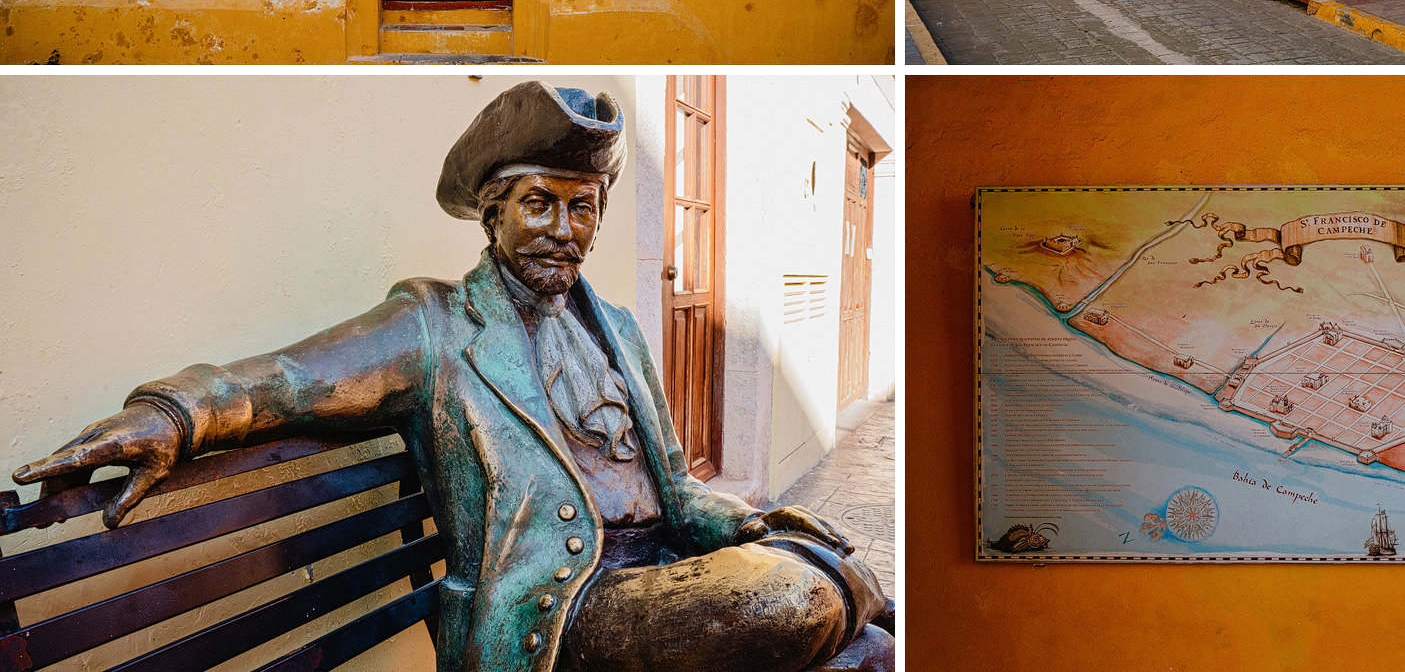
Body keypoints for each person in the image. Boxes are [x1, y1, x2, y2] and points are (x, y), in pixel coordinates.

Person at [15, 83, 892, 672]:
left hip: (659, 569)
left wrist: (744, 517)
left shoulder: (617, 328)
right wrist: (174, 410)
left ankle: (831, 587)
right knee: (793, 597)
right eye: (537, 204)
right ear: (492, 213)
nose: (561, 228)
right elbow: (284, 378)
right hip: (558, 608)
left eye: (580, 207)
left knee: (863, 624)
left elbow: (674, 485)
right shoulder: (434, 326)